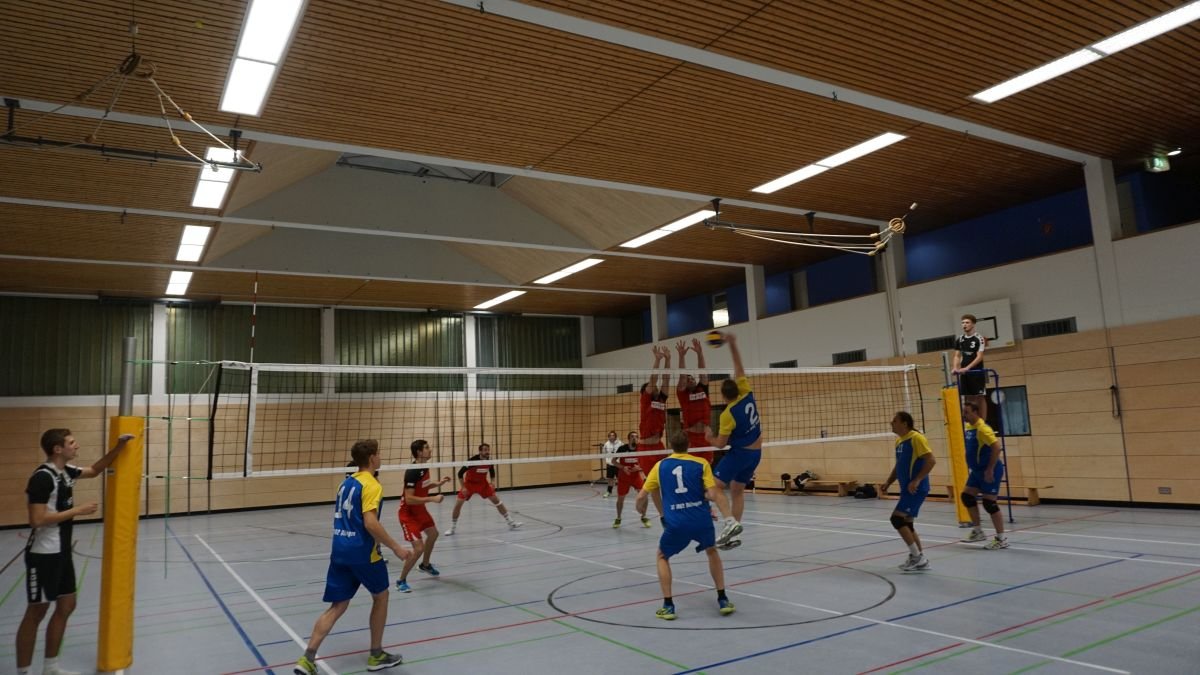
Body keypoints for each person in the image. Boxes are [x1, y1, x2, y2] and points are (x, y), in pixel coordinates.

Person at [17, 429, 134, 675]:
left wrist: (119, 447)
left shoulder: (66, 472)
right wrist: (77, 511)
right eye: (72, 442)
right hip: (43, 555)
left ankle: (51, 667)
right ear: (58, 449)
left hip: (62, 553)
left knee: (67, 605)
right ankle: (23, 671)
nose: (76, 445)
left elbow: (95, 470)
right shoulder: (42, 477)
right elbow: (36, 519)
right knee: (36, 611)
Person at [294, 440, 409, 675]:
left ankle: (307, 658)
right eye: (379, 454)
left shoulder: (345, 483)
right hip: (363, 553)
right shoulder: (372, 484)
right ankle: (376, 655)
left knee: (338, 605)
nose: (380, 457)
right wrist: (396, 547)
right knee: (381, 596)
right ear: (372, 458)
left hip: (340, 549)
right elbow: (370, 523)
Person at [636, 433, 741, 620]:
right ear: (689, 445)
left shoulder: (660, 466)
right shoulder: (701, 463)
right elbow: (712, 494)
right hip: (701, 518)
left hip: (676, 522)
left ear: (671, 445)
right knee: (712, 551)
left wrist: (640, 510)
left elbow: (641, 496)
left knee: (662, 556)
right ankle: (723, 599)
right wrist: (705, 498)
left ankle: (668, 606)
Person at [704, 331, 760, 547]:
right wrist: (732, 344)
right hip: (756, 453)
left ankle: (729, 522)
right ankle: (734, 533)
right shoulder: (746, 393)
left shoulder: (728, 414)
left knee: (713, 487)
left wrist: (709, 437)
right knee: (737, 491)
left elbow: (720, 444)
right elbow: (739, 368)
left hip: (740, 454)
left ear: (722, 395)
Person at [880, 412, 937, 572]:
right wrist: (888, 482)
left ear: (905, 423)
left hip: (916, 489)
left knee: (897, 519)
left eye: (895, 421)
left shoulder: (916, 438)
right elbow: (899, 465)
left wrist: (917, 480)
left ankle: (918, 558)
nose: (891, 423)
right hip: (907, 489)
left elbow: (931, 460)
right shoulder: (899, 441)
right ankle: (919, 559)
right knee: (907, 523)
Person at [395, 439, 451, 593]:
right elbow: (409, 499)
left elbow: (424, 485)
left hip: (419, 510)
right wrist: (432, 499)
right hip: (408, 514)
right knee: (418, 548)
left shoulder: (424, 467)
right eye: (426, 448)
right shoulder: (412, 471)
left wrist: (438, 483)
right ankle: (401, 581)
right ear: (419, 452)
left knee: (433, 534)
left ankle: (425, 565)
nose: (430, 449)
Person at [443, 443, 521, 535]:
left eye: (488, 450)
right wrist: (463, 487)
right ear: (480, 451)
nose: (487, 452)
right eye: (485, 450)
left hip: (483, 484)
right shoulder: (472, 461)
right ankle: (452, 528)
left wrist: (493, 482)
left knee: (497, 501)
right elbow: (460, 473)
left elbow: (492, 472)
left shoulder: (489, 461)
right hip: (469, 484)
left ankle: (511, 522)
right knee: (458, 505)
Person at [960, 402, 1008, 549]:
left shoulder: (983, 429)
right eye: (963, 412)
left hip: (989, 470)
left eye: (967, 412)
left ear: (975, 412)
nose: (964, 415)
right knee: (967, 497)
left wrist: (990, 469)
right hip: (976, 472)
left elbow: (997, 447)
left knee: (989, 504)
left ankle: (1001, 539)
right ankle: (978, 531)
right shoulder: (970, 428)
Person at [675, 338, 714, 466]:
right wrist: (681, 356)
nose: (690, 380)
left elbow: (702, 371)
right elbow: (682, 376)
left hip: (705, 436)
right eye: (687, 379)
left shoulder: (702, 388)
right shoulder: (683, 394)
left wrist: (699, 353)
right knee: (691, 466)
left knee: (707, 465)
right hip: (691, 436)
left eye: (691, 378)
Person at [637, 344, 671, 477]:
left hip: (659, 446)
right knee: (652, 480)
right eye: (652, 387)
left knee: (665, 477)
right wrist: (657, 360)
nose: (655, 387)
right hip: (646, 448)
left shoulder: (661, 399)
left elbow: (666, 380)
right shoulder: (645, 401)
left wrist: (668, 359)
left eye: (656, 387)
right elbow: (653, 379)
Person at [612, 432, 652, 529]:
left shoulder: (641, 448)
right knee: (620, 499)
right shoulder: (622, 448)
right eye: (632, 437)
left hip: (636, 477)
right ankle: (618, 518)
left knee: (644, 496)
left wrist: (639, 467)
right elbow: (613, 461)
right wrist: (623, 467)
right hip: (624, 477)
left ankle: (644, 516)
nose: (634, 438)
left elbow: (646, 462)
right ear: (628, 438)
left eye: (636, 437)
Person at [952, 314, 988, 420]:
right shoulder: (960, 339)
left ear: (973, 324)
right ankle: (970, 421)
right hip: (964, 373)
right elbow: (957, 355)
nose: (964, 325)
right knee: (967, 397)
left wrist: (967, 368)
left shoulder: (979, 338)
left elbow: (980, 357)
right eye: (963, 323)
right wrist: (955, 367)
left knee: (979, 396)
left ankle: (982, 421)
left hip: (976, 372)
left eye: (967, 322)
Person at [601, 431, 621, 498]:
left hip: (618, 464)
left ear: (615, 436)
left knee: (620, 479)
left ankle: (621, 492)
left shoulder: (620, 443)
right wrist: (608, 461)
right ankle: (609, 492)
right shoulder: (606, 444)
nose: (612, 437)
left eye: (613, 435)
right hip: (610, 465)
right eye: (610, 435)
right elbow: (604, 453)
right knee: (610, 479)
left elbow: (623, 452)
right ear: (608, 437)